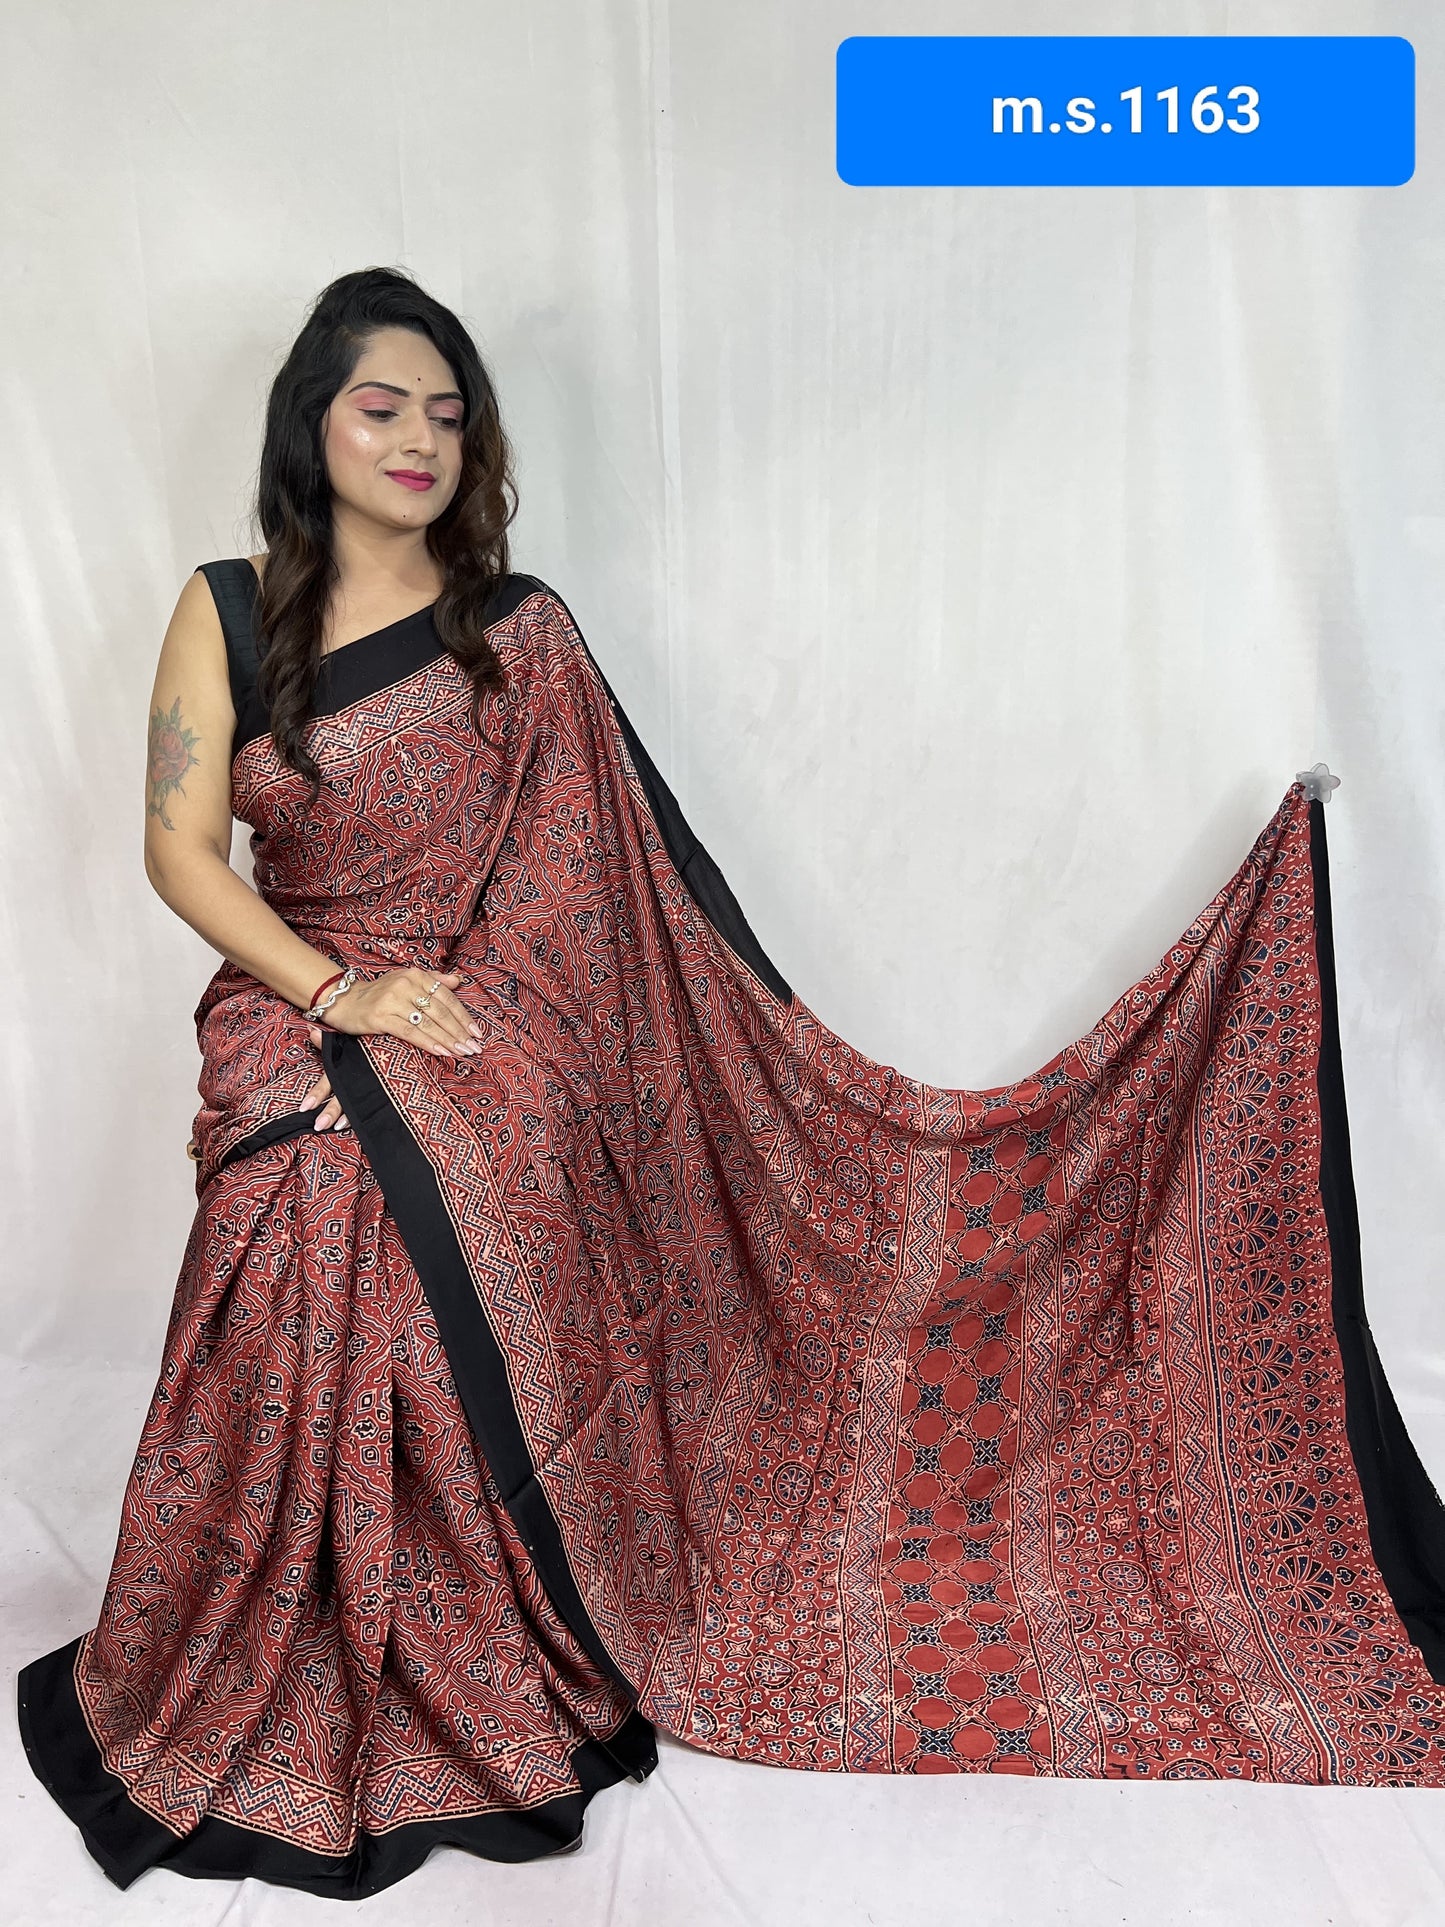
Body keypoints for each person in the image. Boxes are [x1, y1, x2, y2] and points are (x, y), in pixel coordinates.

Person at [17, 266, 1445, 1903]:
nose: (418, 439)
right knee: (304, 1185)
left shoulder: (515, 632)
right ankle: (262, 1625)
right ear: (310, 425)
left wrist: (419, 1036)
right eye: (380, 406)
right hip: (292, 992)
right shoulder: (225, 606)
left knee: (419, 1182)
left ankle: (466, 1636)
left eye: (447, 414)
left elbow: (571, 895)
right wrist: (339, 1003)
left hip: (479, 1013)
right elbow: (181, 852)